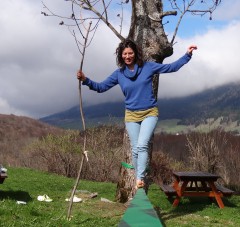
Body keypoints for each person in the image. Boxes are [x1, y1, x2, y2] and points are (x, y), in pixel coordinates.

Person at [77, 39, 197, 189]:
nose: (128, 56)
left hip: (149, 112)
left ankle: (140, 178)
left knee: (142, 145)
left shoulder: (148, 67)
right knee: (135, 148)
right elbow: (101, 87)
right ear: (121, 56)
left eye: (130, 53)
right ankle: (138, 176)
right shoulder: (119, 74)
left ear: (136, 53)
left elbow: (170, 67)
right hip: (131, 115)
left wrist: (187, 55)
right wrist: (85, 80)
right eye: (125, 54)